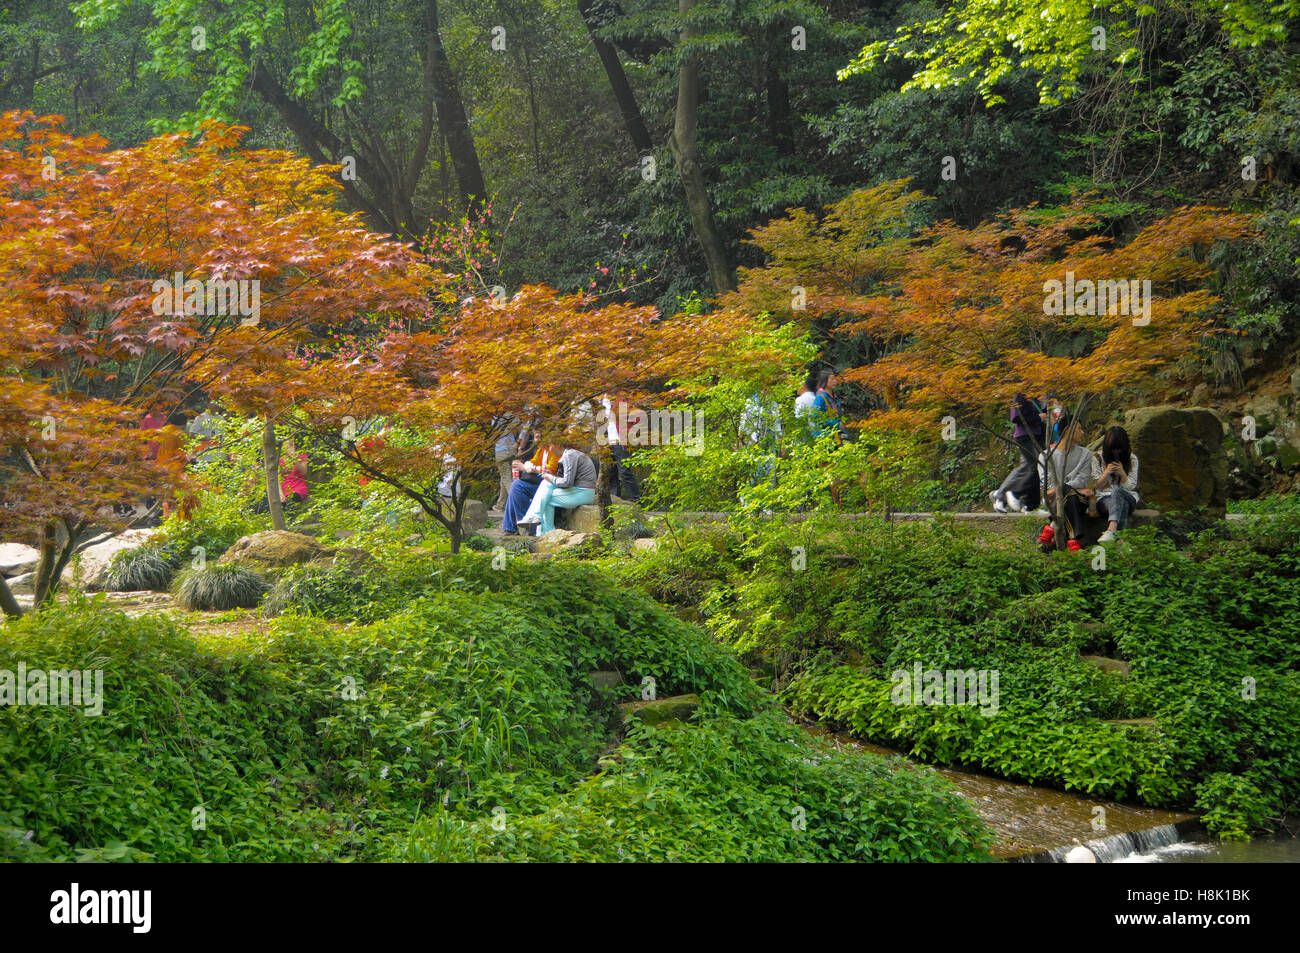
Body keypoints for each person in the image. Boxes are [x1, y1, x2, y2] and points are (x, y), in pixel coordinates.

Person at [1037, 412, 1094, 552]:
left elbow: (1082, 481)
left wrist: (1062, 488)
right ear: (1068, 430)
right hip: (1055, 501)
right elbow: (1049, 486)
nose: (1083, 432)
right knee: (1071, 497)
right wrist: (1071, 489)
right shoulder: (1046, 456)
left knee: (1068, 494)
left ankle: (1051, 527)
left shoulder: (1085, 454)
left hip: (1077, 500)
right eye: (1079, 428)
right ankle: (1074, 542)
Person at [515, 444, 598, 536]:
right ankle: (537, 520)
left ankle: (544, 530)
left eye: (551, 446)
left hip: (583, 492)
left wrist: (550, 477)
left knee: (547, 497)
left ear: (558, 445)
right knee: (546, 485)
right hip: (580, 490)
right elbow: (566, 480)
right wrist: (551, 476)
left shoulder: (569, 455)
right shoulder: (570, 454)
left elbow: (567, 483)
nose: (550, 449)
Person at [991, 392, 1046, 513]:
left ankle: (1030, 506)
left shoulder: (1036, 396)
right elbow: (1015, 417)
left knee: (1028, 468)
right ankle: (1014, 493)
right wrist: (1038, 418)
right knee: (1035, 467)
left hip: (1036, 436)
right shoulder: (1021, 395)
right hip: (1025, 436)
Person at [1091, 426, 1140, 542]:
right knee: (1122, 504)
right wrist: (1106, 472)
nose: (1116, 452)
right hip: (1105, 500)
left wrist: (1123, 473)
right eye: (1113, 449)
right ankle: (1120, 541)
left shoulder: (1132, 459)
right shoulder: (1098, 458)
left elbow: (1131, 486)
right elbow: (1098, 487)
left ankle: (1111, 530)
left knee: (1118, 491)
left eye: (1119, 449)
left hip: (1128, 496)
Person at [501, 438, 555, 535]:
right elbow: (533, 461)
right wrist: (527, 465)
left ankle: (521, 527)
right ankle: (512, 528)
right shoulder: (541, 450)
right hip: (538, 483)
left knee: (517, 487)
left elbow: (550, 469)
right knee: (516, 486)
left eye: (538, 436)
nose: (536, 439)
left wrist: (527, 468)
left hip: (548, 486)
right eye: (535, 436)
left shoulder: (553, 451)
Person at [601, 394, 641, 502]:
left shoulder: (623, 397)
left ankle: (635, 501)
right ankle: (615, 499)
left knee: (624, 472)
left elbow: (638, 418)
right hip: (605, 442)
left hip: (620, 440)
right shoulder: (599, 398)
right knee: (611, 473)